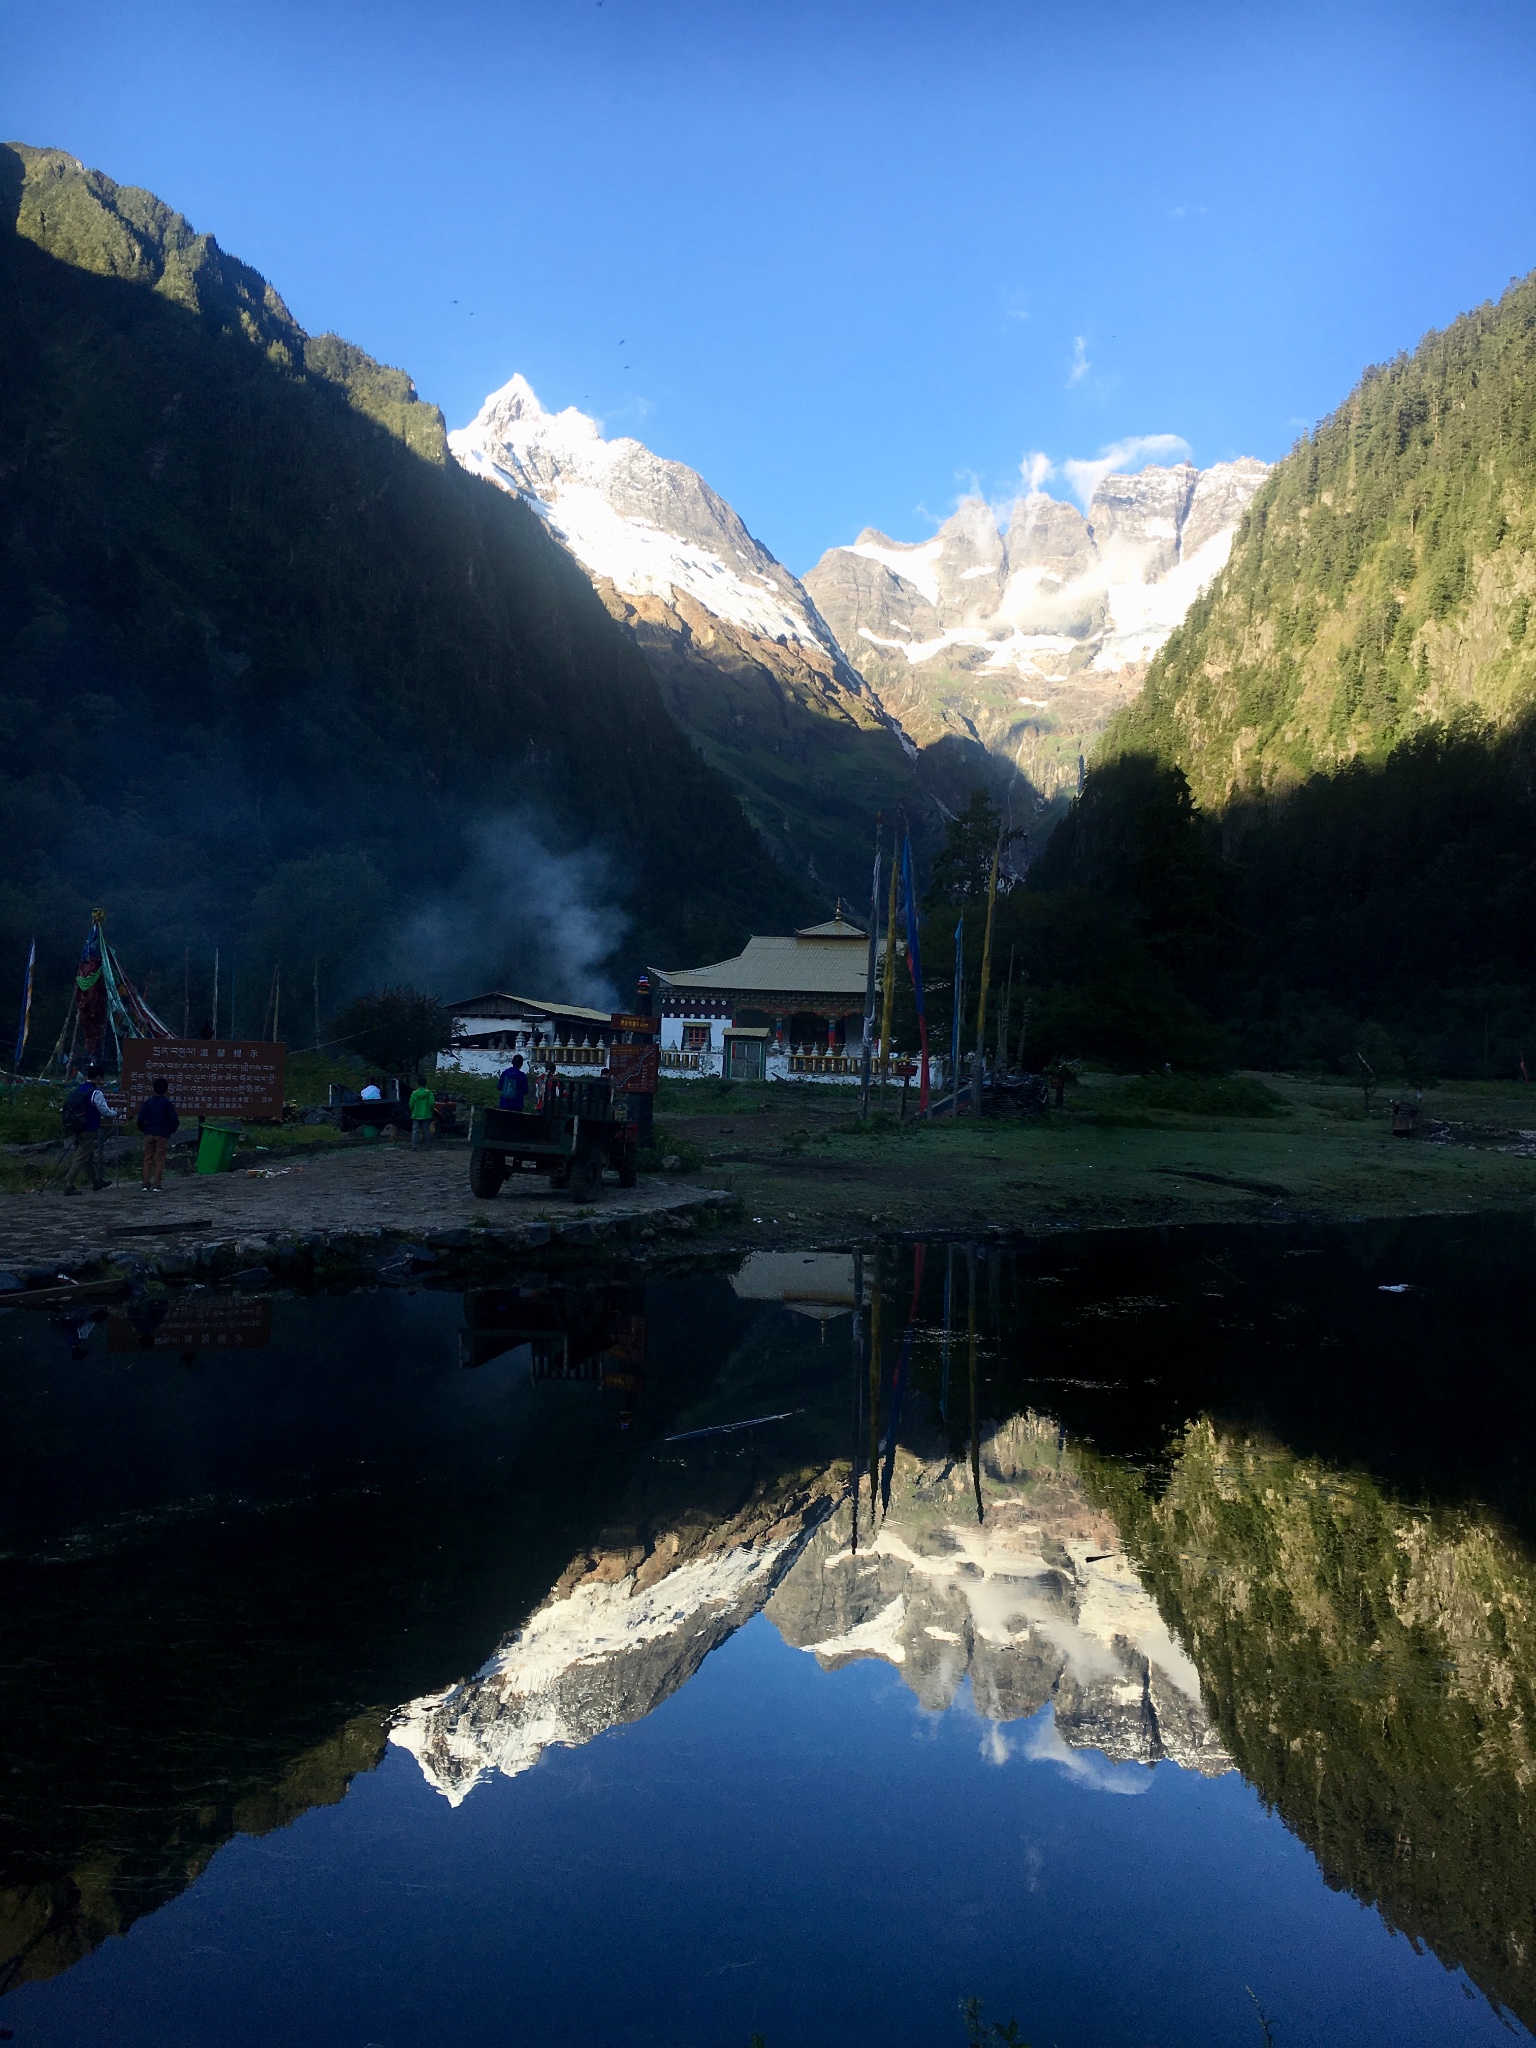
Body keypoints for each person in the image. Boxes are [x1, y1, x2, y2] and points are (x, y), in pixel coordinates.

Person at [62, 1062, 119, 1193]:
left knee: (87, 1156)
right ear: (98, 1077)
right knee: (82, 1156)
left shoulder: (79, 1089)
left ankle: (96, 1182)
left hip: (76, 1127)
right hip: (88, 1128)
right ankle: (68, 1183)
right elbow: (105, 1111)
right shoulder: (95, 1093)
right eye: (102, 1077)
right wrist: (117, 1113)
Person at [137, 1075, 180, 1192]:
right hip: (162, 1133)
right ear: (166, 1089)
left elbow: (140, 1119)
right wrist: (170, 1130)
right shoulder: (167, 1104)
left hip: (149, 1132)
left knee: (147, 1158)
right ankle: (157, 1184)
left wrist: (145, 1130)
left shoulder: (148, 1102)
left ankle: (145, 1183)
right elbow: (174, 1120)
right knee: (159, 1159)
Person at [408, 1078, 436, 1148]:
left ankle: (414, 1146)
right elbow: (432, 1103)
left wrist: (413, 1111)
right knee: (426, 1131)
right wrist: (431, 1111)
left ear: (418, 1084)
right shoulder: (429, 1093)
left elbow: (411, 1104)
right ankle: (426, 1145)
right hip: (426, 1114)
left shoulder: (414, 1093)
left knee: (415, 1131)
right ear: (425, 1084)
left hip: (416, 1114)